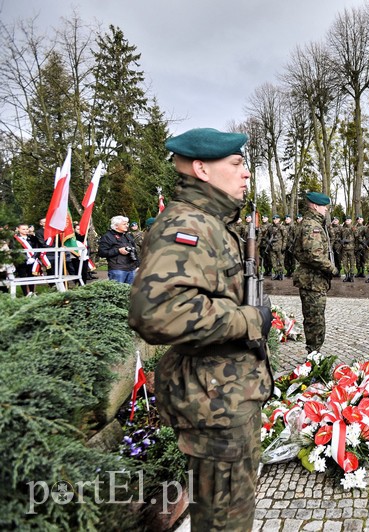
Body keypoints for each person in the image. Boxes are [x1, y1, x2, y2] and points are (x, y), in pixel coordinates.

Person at [128, 127, 273, 531]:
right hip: (215, 405)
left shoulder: (212, 221)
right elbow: (155, 311)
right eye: (236, 164)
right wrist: (248, 320)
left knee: (229, 514)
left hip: (226, 397)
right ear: (202, 169)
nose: (245, 174)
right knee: (224, 522)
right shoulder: (188, 225)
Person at [294, 191, 337, 353]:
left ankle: (314, 352)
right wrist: (332, 268)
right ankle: (314, 355)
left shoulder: (311, 223)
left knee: (314, 318)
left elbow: (298, 251)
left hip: (313, 279)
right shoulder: (312, 226)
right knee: (315, 320)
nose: (326, 210)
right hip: (312, 281)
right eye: (324, 206)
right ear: (315, 205)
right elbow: (314, 255)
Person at [98, 216, 139, 284]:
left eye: (127, 224)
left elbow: (134, 251)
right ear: (116, 226)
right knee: (118, 293)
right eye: (124, 224)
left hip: (132, 269)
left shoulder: (128, 236)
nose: (127, 226)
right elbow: (102, 252)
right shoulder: (107, 236)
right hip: (118, 270)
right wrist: (118, 250)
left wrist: (137, 265)